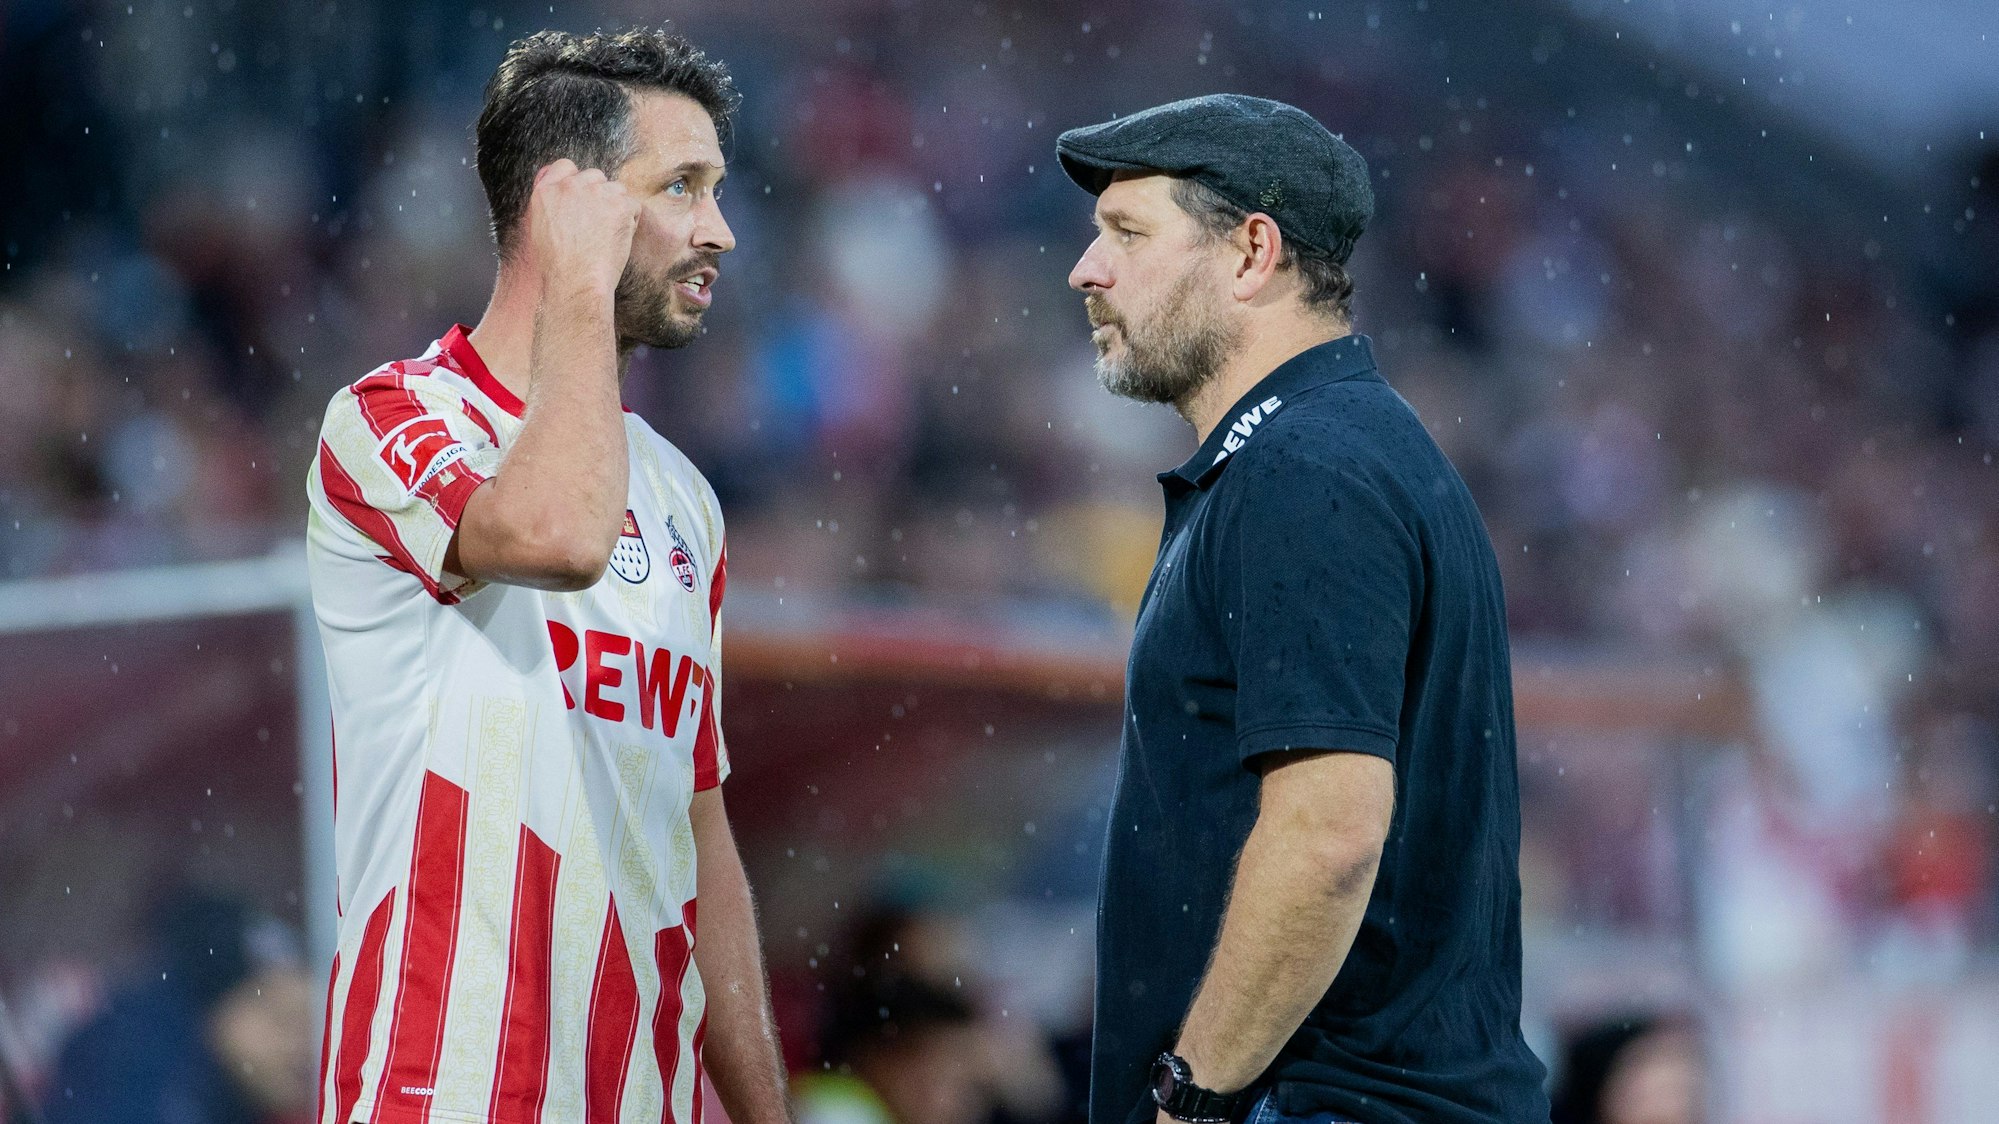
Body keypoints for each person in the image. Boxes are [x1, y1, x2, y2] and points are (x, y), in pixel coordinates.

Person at [304, 28, 788, 1124]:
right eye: (681, 187)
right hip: (442, 1093)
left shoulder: (683, 499)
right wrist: (575, 283)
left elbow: (695, 828)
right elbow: (559, 534)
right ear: (562, 203)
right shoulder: (388, 419)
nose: (720, 229)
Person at [1055, 95, 1550, 1124]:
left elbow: (1327, 835)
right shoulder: (1338, 448)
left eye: (1126, 234)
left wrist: (1190, 1095)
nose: (1085, 270)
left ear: (1251, 253)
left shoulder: (1304, 469)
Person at [45, 888, 315, 1124]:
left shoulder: (228, 1097)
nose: (304, 1045)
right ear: (212, 1011)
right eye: (282, 1019)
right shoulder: (145, 1080)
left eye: (315, 1023)